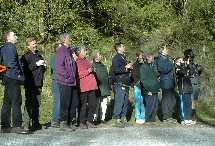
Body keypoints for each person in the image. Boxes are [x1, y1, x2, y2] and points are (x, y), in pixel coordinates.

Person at [0, 32, 27, 133]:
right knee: (16, 101)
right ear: (8, 37)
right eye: (14, 35)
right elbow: (11, 64)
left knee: (7, 102)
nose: (16, 36)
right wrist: (19, 76)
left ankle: (5, 126)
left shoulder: (4, 47)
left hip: (7, 76)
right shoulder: (10, 47)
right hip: (12, 77)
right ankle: (17, 126)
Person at [21, 37, 46, 131]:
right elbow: (25, 70)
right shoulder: (25, 56)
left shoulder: (39, 55)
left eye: (35, 43)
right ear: (28, 46)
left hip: (39, 83)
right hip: (30, 83)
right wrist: (36, 64)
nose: (35, 45)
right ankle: (26, 124)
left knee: (37, 104)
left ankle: (35, 123)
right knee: (29, 103)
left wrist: (44, 66)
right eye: (33, 44)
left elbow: (41, 70)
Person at [55, 33, 77, 131]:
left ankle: (69, 122)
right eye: (69, 38)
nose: (70, 39)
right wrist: (68, 76)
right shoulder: (61, 50)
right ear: (64, 39)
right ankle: (63, 123)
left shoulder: (69, 50)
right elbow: (59, 66)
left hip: (72, 81)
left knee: (73, 102)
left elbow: (72, 65)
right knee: (65, 102)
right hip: (65, 81)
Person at [74, 46, 98, 129]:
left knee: (92, 104)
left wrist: (92, 68)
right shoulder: (76, 62)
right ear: (79, 53)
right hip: (83, 86)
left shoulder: (86, 60)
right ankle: (82, 122)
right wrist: (87, 71)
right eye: (84, 51)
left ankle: (89, 121)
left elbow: (91, 68)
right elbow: (78, 75)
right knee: (83, 105)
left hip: (91, 86)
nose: (85, 52)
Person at [111, 43, 132, 128]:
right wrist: (126, 68)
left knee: (125, 102)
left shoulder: (124, 57)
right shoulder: (116, 58)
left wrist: (129, 68)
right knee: (119, 101)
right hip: (119, 82)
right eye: (123, 46)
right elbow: (116, 70)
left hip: (126, 82)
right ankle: (117, 120)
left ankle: (123, 119)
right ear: (118, 48)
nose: (124, 47)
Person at [155, 46, 176, 123]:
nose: (167, 50)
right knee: (166, 99)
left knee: (171, 99)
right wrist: (172, 64)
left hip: (170, 81)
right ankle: (165, 117)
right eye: (165, 49)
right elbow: (163, 69)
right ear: (162, 51)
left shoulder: (167, 58)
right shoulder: (160, 59)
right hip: (165, 81)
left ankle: (169, 116)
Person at [174, 52, 196, 125]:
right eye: (180, 61)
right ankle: (184, 119)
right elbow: (183, 72)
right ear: (177, 62)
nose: (182, 61)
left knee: (189, 104)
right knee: (183, 104)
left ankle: (188, 118)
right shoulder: (177, 68)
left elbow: (192, 73)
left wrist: (189, 64)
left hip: (188, 88)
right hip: (182, 88)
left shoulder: (186, 66)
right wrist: (184, 65)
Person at [140, 54, 160, 122]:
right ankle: (148, 119)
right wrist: (148, 90)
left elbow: (157, 75)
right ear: (148, 58)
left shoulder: (152, 66)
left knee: (155, 105)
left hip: (155, 89)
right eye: (152, 58)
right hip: (149, 89)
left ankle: (152, 119)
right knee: (150, 105)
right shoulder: (144, 67)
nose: (153, 59)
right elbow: (143, 80)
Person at [93, 51, 111, 123]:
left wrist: (109, 87)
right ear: (95, 56)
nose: (101, 56)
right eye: (99, 55)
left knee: (104, 104)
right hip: (97, 88)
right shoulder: (92, 65)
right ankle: (95, 118)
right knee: (96, 104)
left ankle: (102, 118)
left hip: (105, 87)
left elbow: (107, 77)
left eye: (100, 55)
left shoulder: (103, 66)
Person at [131, 51, 145, 124]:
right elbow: (133, 75)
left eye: (142, 56)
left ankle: (142, 117)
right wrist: (138, 81)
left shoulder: (145, 64)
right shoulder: (134, 65)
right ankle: (137, 117)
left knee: (143, 101)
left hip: (145, 85)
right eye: (140, 56)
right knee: (137, 101)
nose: (141, 57)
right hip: (137, 85)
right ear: (137, 57)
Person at [50, 42, 61, 128]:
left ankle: (59, 119)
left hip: (59, 80)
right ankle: (55, 120)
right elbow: (55, 69)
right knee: (57, 100)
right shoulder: (55, 57)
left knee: (61, 100)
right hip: (57, 80)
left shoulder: (57, 57)